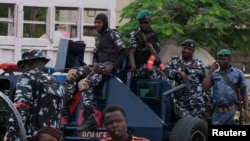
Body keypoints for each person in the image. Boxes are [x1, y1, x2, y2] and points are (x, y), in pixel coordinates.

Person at [60, 13, 126, 131]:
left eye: (99, 22)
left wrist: (113, 66)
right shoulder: (99, 38)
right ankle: (65, 109)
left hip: (108, 67)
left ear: (105, 23)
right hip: (99, 66)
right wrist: (95, 63)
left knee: (83, 83)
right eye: (95, 22)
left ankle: (90, 119)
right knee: (71, 73)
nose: (97, 25)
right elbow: (95, 55)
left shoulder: (113, 34)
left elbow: (123, 52)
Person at [4, 49, 65, 141]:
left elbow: (21, 108)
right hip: (53, 137)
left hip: (33, 137)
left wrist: (10, 134)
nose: (22, 70)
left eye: (22, 67)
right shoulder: (57, 82)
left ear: (28, 64)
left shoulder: (27, 77)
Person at [164, 39, 210, 121]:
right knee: (183, 125)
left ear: (193, 51)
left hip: (197, 101)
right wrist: (178, 72)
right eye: (185, 48)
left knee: (197, 124)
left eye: (189, 49)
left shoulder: (199, 64)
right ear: (182, 48)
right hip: (180, 101)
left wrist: (208, 100)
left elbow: (205, 83)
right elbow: (165, 72)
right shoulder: (174, 61)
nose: (186, 51)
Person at [202, 49, 249, 125]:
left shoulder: (238, 73)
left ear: (229, 60)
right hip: (218, 114)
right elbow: (204, 88)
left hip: (233, 113)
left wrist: (246, 109)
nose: (220, 61)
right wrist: (210, 71)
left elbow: (244, 92)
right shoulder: (214, 74)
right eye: (219, 59)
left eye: (223, 59)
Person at [127, 9, 166, 80]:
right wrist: (133, 67)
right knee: (159, 76)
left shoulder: (153, 33)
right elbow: (131, 52)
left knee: (168, 73)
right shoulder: (135, 34)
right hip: (140, 66)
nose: (143, 24)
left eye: (146, 22)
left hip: (153, 64)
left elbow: (156, 50)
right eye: (141, 22)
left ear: (150, 21)